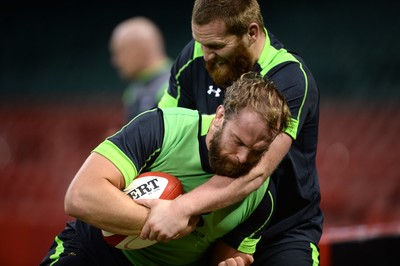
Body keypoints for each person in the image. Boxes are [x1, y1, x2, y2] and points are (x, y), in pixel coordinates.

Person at [138, 0, 323, 265]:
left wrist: (180, 208)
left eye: (216, 46)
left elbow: (255, 173)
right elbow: (161, 135)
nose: (205, 54)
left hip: (280, 231)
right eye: (200, 43)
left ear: (252, 32)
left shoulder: (291, 78)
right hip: (210, 225)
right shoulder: (194, 56)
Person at [40, 72, 292, 266]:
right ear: (220, 116)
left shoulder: (261, 198)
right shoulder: (161, 129)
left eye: (258, 151)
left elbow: (226, 257)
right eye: (238, 142)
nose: (242, 158)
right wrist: (165, 221)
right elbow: (80, 196)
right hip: (94, 251)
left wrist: (231, 263)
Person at [110, 16, 173, 122]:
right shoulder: (133, 92)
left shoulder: (174, 86)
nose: (116, 62)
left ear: (140, 49)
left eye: (119, 52)